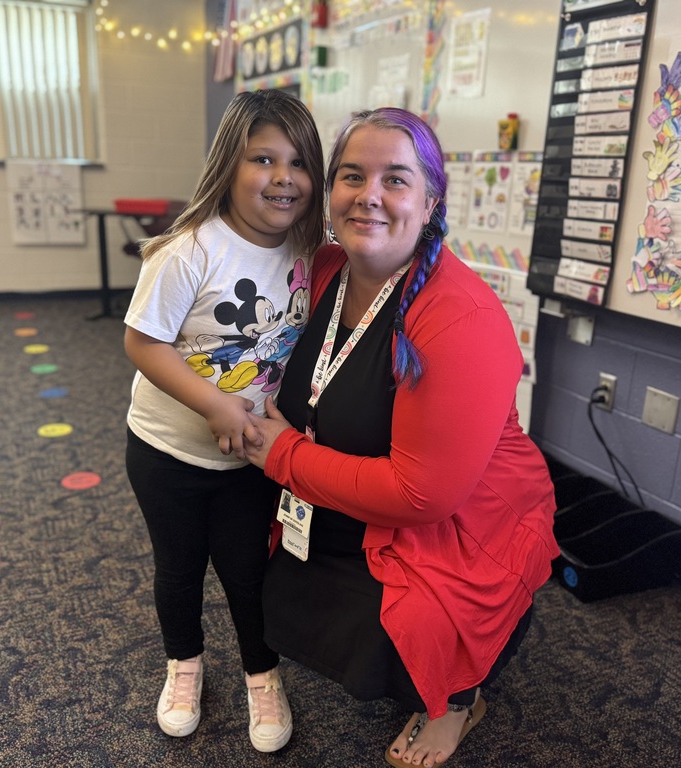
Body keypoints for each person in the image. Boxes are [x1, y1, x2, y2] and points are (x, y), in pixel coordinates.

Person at [243, 107, 559, 768]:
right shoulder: (323, 269)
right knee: (269, 575)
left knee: (406, 630)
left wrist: (282, 456)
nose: (370, 196)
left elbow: (422, 495)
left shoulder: (459, 316)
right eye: (352, 176)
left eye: (396, 179)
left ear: (430, 199)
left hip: (462, 525)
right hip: (344, 493)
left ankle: (457, 699)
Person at [122, 89, 325, 752]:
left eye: (298, 162)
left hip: (250, 460)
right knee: (178, 568)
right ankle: (184, 665)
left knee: (248, 571)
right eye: (262, 158)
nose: (282, 177)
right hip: (166, 451)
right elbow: (143, 341)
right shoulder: (188, 251)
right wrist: (213, 403)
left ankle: (262, 675)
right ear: (228, 167)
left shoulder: (308, 250)